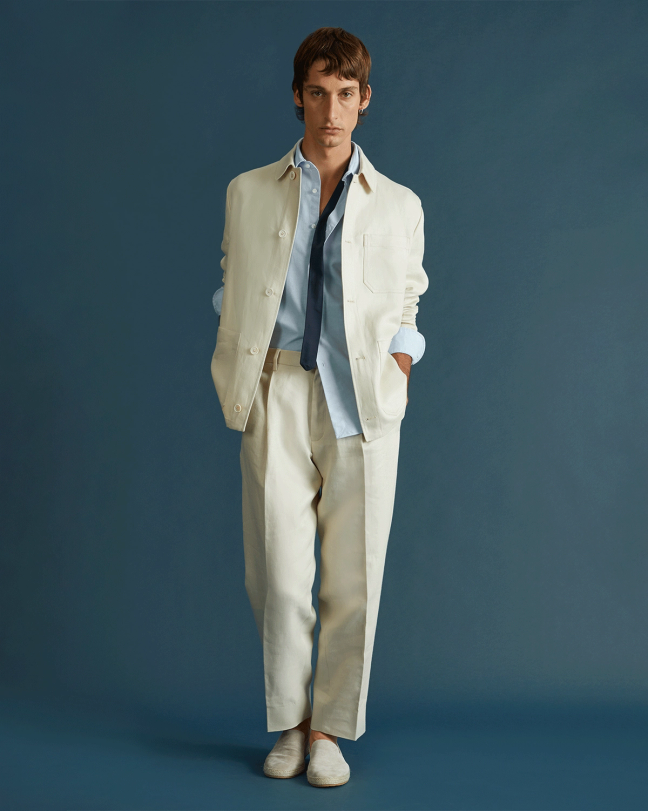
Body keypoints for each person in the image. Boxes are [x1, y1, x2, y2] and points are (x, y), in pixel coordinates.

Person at [210, 26, 428, 788]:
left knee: (354, 577)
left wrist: (400, 364)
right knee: (276, 574)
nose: (330, 112)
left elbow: (409, 297)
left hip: (361, 396)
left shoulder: (398, 204)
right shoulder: (248, 190)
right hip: (276, 387)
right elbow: (235, 275)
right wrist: (240, 339)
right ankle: (290, 723)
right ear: (297, 98)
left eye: (344, 94)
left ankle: (330, 729)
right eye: (317, 93)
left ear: (365, 101)